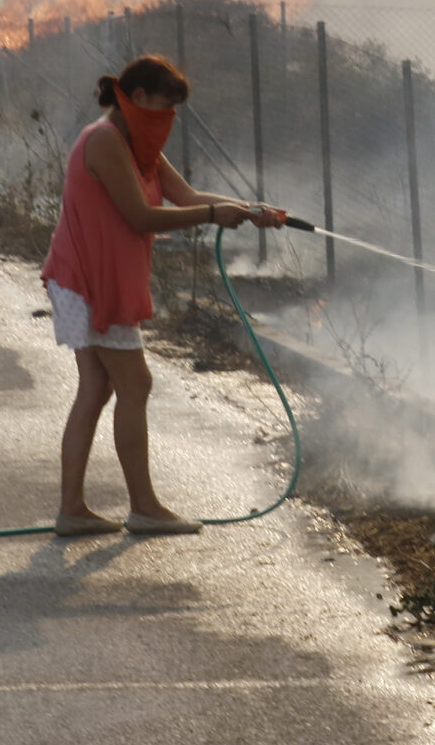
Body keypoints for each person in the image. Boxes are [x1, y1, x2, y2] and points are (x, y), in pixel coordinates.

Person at [40, 54, 284, 537]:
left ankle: (72, 509)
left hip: (91, 277)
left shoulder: (136, 142)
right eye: (162, 108)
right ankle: (144, 507)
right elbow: (141, 216)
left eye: (173, 112)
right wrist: (214, 217)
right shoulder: (105, 141)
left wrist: (248, 210)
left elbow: (187, 197)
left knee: (97, 389)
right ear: (138, 99)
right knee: (135, 386)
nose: (167, 120)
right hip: (90, 281)